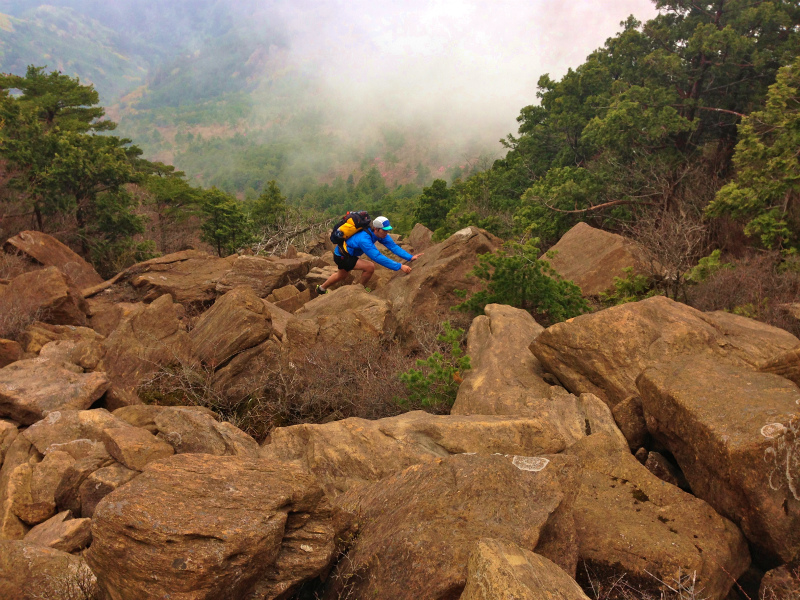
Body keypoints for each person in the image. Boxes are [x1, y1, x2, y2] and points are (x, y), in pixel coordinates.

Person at [316, 216, 423, 294]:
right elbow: (377, 257)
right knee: (369, 267)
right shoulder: (364, 239)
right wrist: (400, 266)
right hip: (343, 256)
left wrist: (410, 257)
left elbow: (394, 247)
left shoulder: (381, 235)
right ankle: (357, 290)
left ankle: (321, 288)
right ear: (376, 229)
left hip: (344, 253)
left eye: (388, 230)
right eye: (384, 230)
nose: (386, 233)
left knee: (341, 275)